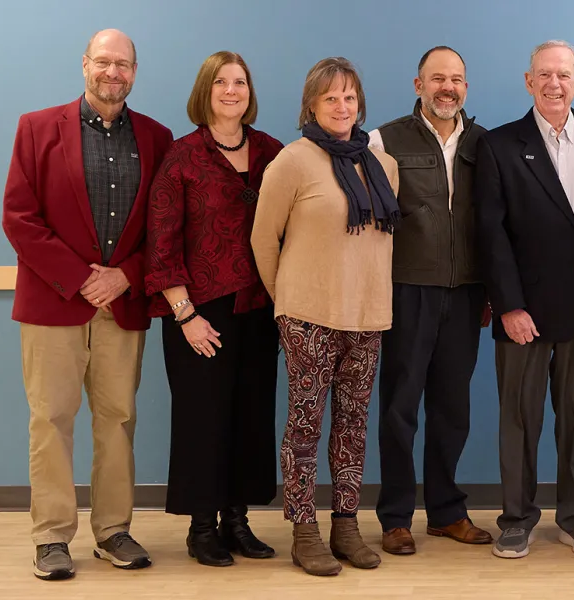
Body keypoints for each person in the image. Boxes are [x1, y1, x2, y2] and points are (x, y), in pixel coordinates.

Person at [1, 28, 171, 581]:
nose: (113, 72)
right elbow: (19, 219)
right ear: (84, 65)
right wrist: (80, 279)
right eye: (104, 62)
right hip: (55, 302)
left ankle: (113, 530)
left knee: (118, 420)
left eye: (123, 64)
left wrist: (125, 277)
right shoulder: (36, 129)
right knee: (50, 419)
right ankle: (51, 537)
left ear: (135, 72)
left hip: (123, 304)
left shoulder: (157, 137)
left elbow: (166, 229)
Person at [474, 40, 574, 559]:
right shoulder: (498, 146)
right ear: (528, 81)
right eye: (544, 75)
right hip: (525, 311)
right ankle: (517, 518)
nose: (554, 84)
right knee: (519, 419)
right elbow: (491, 235)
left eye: (563, 75)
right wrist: (510, 306)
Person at [251, 57, 401, 577]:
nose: (342, 106)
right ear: (312, 105)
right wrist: (287, 300)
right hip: (308, 315)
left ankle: (345, 524)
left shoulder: (383, 166)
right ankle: (303, 529)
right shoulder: (292, 162)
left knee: (354, 426)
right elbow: (262, 238)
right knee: (305, 425)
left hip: (367, 315)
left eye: (350, 97)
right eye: (331, 98)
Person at [144, 51, 284, 567]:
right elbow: (161, 244)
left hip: (260, 308)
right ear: (205, 91)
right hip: (200, 313)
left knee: (251, 415)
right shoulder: (182, 157)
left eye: (240, 82)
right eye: (221, 82)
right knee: (203, 419)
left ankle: (238, 522)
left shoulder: (273, 152)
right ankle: (202, 527)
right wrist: (184, 314)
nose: (231, 90)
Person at [367, 46, 494, 555]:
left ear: (466, 87)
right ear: (418, 84)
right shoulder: (383, 140)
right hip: (405, 291)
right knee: (400, 406)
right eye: (437, 78)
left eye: (457, 79)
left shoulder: (485, 145)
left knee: (452, 407)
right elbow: (366, 223)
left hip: (465, 294)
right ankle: (396, 516)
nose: (448, 87)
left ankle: (446, 512)